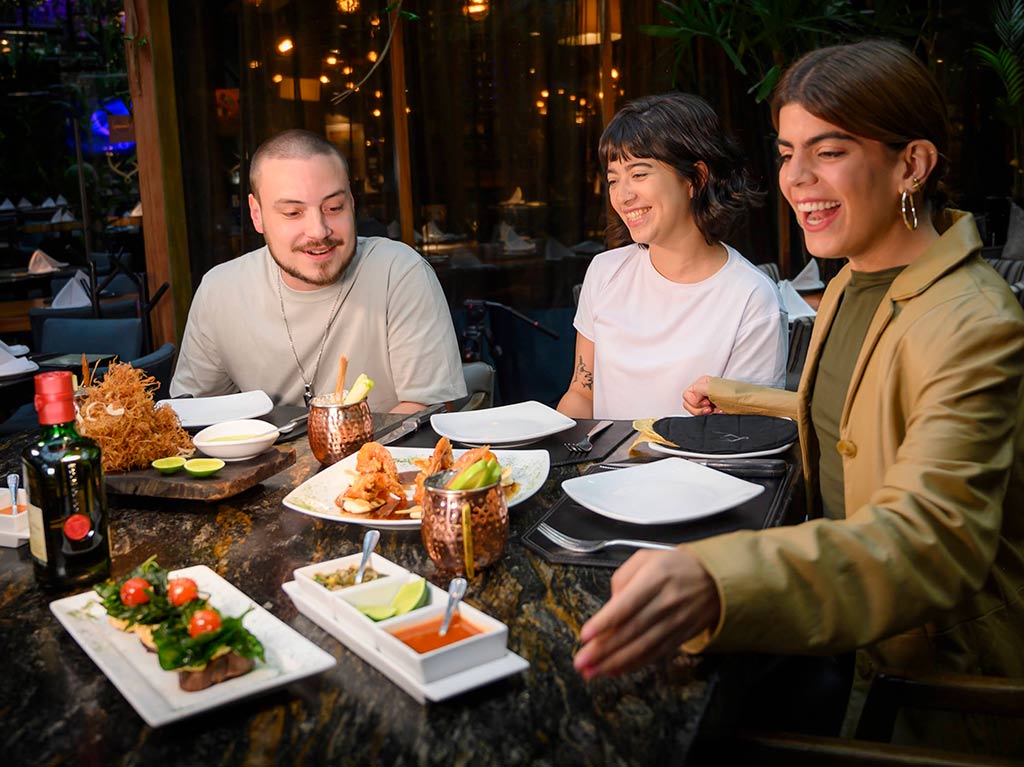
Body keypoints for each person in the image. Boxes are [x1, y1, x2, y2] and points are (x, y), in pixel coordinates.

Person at [574, 40, 1024, 750]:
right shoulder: (851, 279)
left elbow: (932, 538)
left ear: (912, 163)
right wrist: (748, 395)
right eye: (787, 152)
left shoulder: (976, 320)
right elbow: (866, 411)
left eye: (830, 151)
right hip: (848, 636)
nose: (797, 178)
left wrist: (718, 579)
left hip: (930, 684)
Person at [170, 129, 466, 413]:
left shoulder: (398, 272)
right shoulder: (220, 290)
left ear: (351, 203)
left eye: (334, 208)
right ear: (257, 214)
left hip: (377, 461)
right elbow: (194, 412)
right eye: (293, 213)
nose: (318, 231)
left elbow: (429, 408)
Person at [557, 92, 787, 421]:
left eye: (639, 174)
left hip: (699, 471)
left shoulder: (752, 298)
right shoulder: (605, 272)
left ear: (696, 178)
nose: (623, 196)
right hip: (602, 471)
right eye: (613, 180)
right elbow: (582, 392)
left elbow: (743, 433)